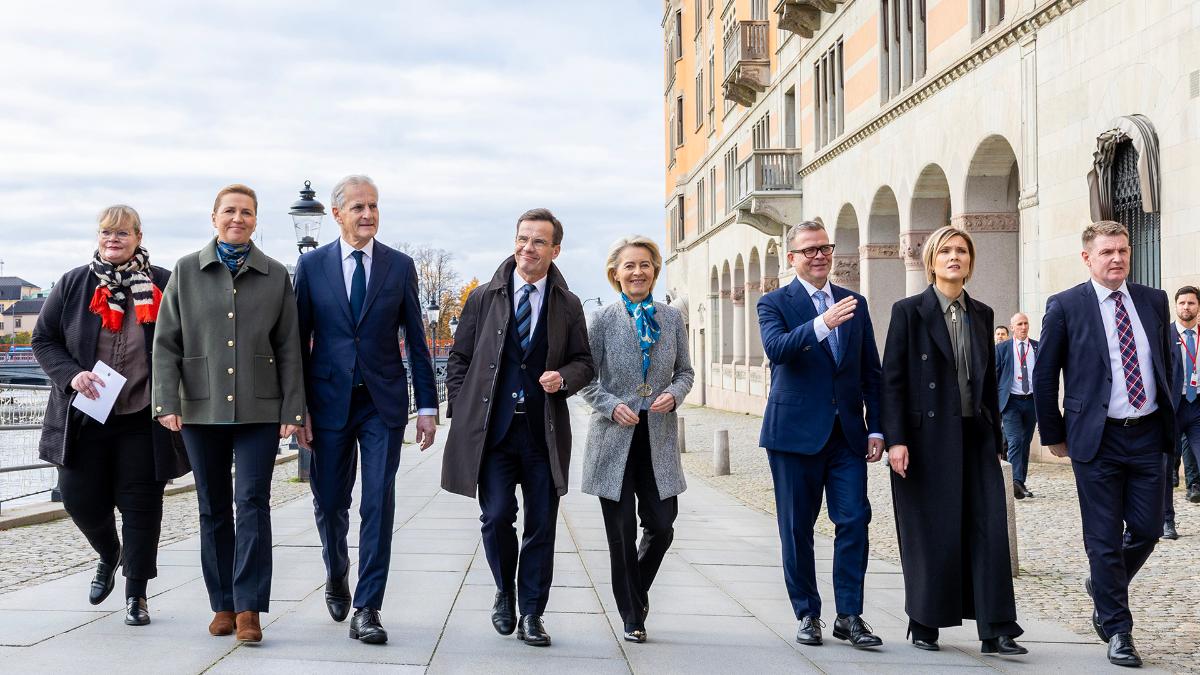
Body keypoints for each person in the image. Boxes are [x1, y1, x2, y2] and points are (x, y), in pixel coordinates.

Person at [152, 184, 305, 644]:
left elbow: (290, 347)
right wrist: (166, 403)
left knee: (253, 503)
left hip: (260, 408)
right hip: (200, 405)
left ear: (256, 221)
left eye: (247, 213)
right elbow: (166, 341)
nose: (238, 219)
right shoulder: (185, 270)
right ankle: (221, 603)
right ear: (214, 217)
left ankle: (250, 609)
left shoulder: (276, 274)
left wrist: (293, 409)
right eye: (230, 211)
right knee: (212, 506)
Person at [293, 175, 439, 644]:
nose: (368, 215)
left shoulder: (399, 267)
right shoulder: (311, 266)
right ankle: (337, 572)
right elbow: (296, 343)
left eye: (373, 206)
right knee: (331, 501)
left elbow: (418, 340)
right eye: (358, 207)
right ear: (337, 213)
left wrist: (428, 405)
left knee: (378, 502)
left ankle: (368, 607)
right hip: (327, 401)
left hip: (382, 403)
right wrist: (298, 409)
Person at [440, 208, 594, 647]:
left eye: (539, 241)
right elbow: (459, 360)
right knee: (495, 518)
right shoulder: (483, 297)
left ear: (555, 250)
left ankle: (532, 613)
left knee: (542, 524)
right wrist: (463, 406)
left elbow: (585, 362)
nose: (528, 248)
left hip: (543, 432)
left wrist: (563, 378)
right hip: (493, 433)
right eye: (522, 238)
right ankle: (504, 591)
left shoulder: (568, 304)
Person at [31, 205, 189, 627]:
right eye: (106, 232)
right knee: (78, 496)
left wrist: (176, 399)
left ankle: (137, 594)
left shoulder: (163, 284)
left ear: (138, 235)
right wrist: (71, 375)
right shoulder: (74, 284)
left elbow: (184, 344)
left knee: (141, 505)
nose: (113, 239)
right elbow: (43, 339)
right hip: (86, 416)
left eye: (122, 233)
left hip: (142, 416)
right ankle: (108, 553)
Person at [1032, 220, 1175, 667]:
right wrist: (1053, 434)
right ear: (1087, 258)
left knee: (1150, 530)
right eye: (1107, 252)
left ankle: (1102, 584)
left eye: (1123, 251)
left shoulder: (1153, 301)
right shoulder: (1065, 306)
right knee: (1103, 539)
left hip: (1149, 432)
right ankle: (1118, 630)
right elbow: (1043, 375)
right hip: (1097, 438)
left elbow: (1164, 362)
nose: (1117, 259)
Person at [882, 225, 1026, 656]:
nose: (954, 257)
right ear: (931, 260)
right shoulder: (908, 311)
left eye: (961, 250)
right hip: (925, 439)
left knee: (988, 531)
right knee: (930, 530)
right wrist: (896, 441)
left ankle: (997, 627)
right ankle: (925, 621)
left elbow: (986, 382)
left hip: (976, 435)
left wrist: (998, 436)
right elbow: (892, 380)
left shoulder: (981, 314)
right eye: (945, 251)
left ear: (970, 261)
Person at [757, 221, 885, 650]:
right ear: (791, 257)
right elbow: (777, 349)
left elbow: (871, 370)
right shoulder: (773, 302)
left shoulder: (855, 303)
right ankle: (807, 613)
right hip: (793, 435)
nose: (818, 256)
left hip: (847, 435)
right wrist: (822, 324)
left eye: (824, 248)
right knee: (797, 529)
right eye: (808, 250)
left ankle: (849, 615)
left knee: (854, 521)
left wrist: (878, 427)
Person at [578, 236, 693, 643]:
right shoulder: (602, 320)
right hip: (614, 438)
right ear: (615, 273)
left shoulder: (671, 317)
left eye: (645, 265)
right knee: (621, 531)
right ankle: (632, 614)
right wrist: (610, 405)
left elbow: (685, 372)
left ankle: (635, 589)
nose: (638, 272)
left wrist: (675, 394)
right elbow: (585, 378)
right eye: (630, 266)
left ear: (655, 270)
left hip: (657, 437)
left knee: (662, 526)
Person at [1166, 286, 1200, 535]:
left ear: (1198, 307)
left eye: (1191, 303)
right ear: (1175, 306)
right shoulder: (1164, 335)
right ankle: (1167, 520)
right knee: (1167, 467)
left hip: (1197, 407)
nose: (1186, 307)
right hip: (1173, 408)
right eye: (1182, 303)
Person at [995, 312, 1039, 499]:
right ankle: (1015, 482)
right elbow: (995, 377)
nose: (1023, 327)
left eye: (1025, 323)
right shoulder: (1003, 349)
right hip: (1011, 401)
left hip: (1031, 401)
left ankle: (1019, 481)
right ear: (1012, 328)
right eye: (1019, 324)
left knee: (1025, 442)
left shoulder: (1037, 347)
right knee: (1015, 441)